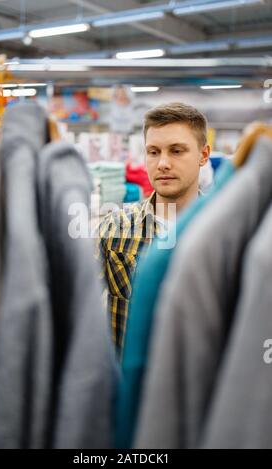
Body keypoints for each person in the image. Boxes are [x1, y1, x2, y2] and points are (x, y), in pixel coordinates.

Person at [96, 102, 211, 355]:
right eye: (153, 152)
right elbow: (79, 307)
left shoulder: (224, 237)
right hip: (127, 385)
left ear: (203, 155)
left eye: (177, 151)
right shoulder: (115, 228)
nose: (163, 163)